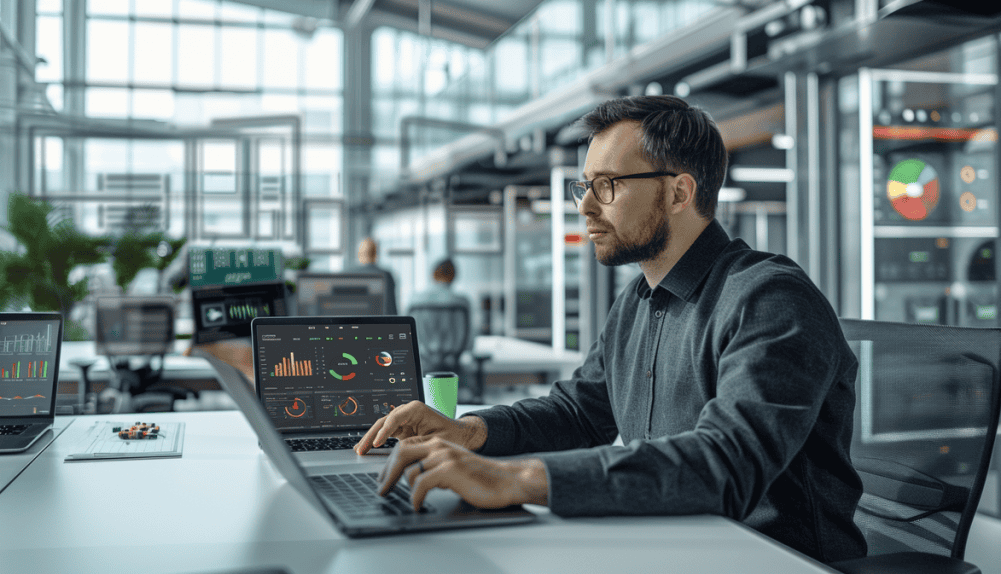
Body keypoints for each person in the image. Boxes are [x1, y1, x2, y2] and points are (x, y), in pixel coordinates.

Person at [354, 95, 867, 563]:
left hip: (772, 559)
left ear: (678, 193)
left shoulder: (770, 300)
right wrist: (470, 432)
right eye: (586, 185)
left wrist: (519, 478)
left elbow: (725, 465)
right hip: (673, 546)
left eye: (607, 185)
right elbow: (579, 412)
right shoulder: (638, 301)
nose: (585, 206)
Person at [353, 236, 398, 315]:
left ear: (359, 254)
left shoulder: (349, 275)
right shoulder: (386, 275)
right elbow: (392, 309)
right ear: (375, 253)